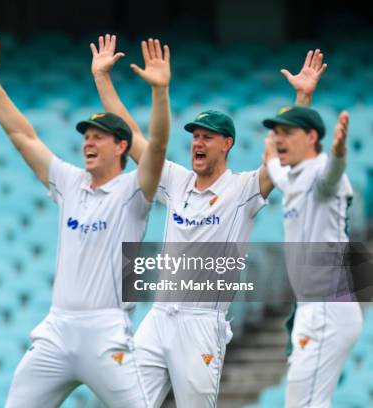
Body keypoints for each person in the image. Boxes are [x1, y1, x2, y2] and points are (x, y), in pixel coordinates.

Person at [0, 32, 170, 407]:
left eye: (99, 137)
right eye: (86, 136)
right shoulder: (69, 182)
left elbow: (159, 146)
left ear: (121, 147)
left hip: (106, 332)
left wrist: (159, 92)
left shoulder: (135, 189)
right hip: (57, 330)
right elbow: (22, 135)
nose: (88, 143)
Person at [90, 34, 274, 407]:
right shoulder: (175, 181)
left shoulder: (243, 190)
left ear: (227, 144)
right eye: (194, 137)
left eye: (207, 137)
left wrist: (301, 101)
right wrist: (102, 80)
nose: (197, 143)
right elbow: (131, 135)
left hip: (202, 323)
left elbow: (281, 163)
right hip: (160, 315)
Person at [262, 49, 363, 408]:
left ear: (312, 138)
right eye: (276, 132)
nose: (279, 138)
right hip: (312, 309)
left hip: (326, 310)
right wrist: (302, 97)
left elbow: (332, 170)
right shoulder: (290, 175)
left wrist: (337, 152)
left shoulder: (323, 173)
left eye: (287, 133)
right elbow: (274, 162)